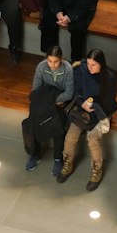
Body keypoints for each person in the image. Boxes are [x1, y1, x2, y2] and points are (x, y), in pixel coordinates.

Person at [59, 47, 117, 190]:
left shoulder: (109, 77)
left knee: (93, 140)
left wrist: (96, 108)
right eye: (88, 64)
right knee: (70, 137)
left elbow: (109, 103)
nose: (90, 67)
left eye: (94, 65)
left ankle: (97, 171)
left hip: (101, 112)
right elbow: (76, 91)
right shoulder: (82, 69)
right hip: (83, 109)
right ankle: (67, 163)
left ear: (101, 65)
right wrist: (82, 103)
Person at [24, 47, 74, 177]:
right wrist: (49, 101)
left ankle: (58, 159)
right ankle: (35, 154)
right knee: (34, 120)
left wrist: (54, 101)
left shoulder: (67, 69)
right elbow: (35, 89)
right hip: (45, 99)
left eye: (55, 61)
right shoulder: (41, 67)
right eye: (50, 61)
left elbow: (68, 93)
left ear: (61, 59)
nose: (52, 65)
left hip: (59, 103)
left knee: (58, 125)